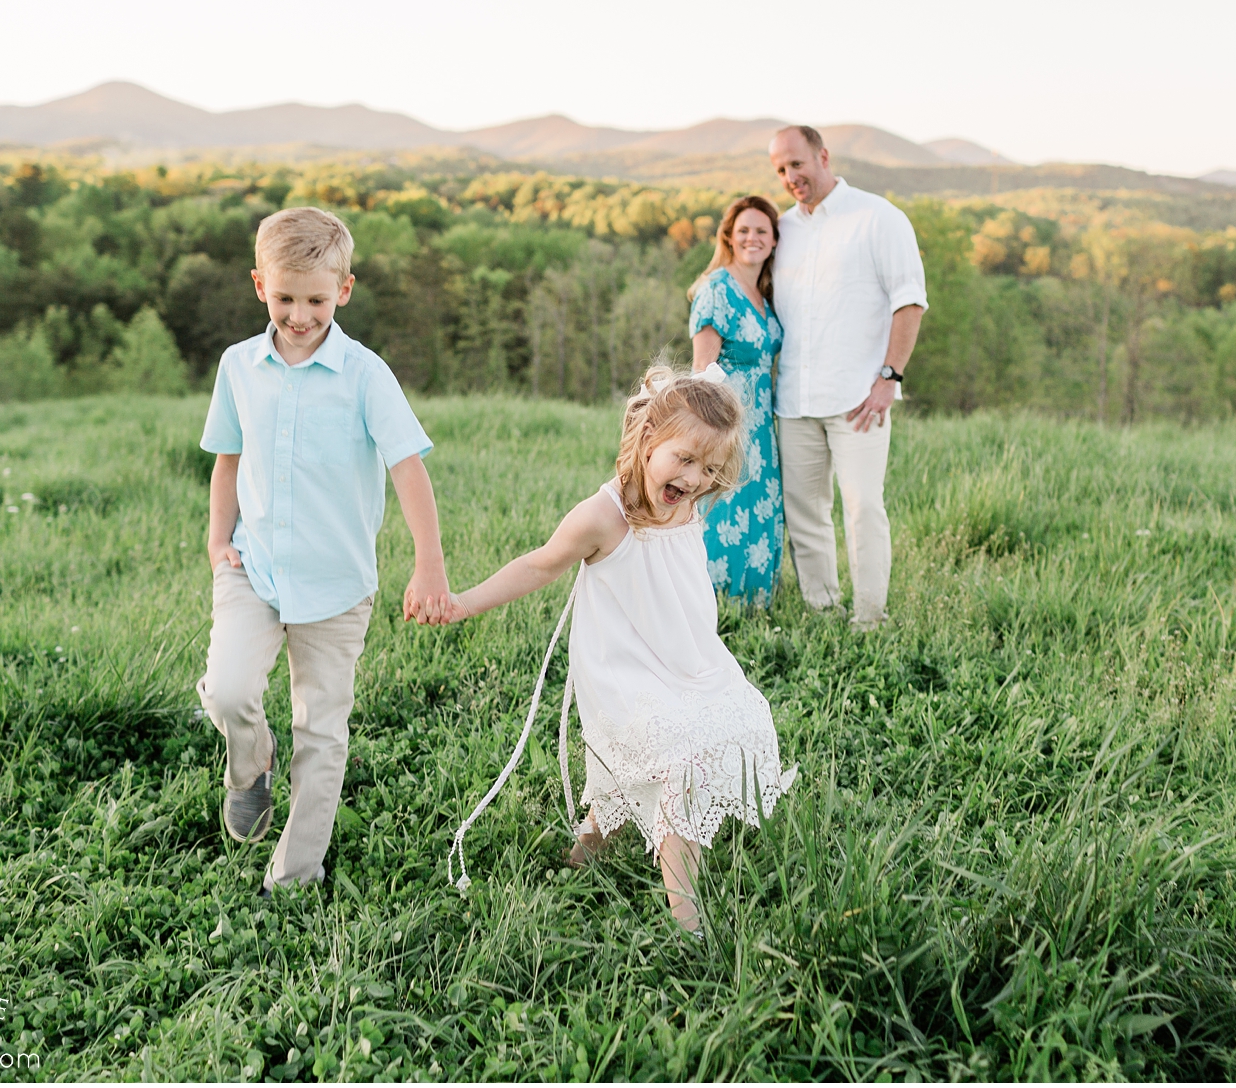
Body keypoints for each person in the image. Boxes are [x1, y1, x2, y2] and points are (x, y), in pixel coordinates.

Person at [435, 366, 797, 933]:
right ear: (647, 439)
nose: (697, 478)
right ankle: (690, 922)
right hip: (625, 677)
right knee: (682, 763)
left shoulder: (687, 501)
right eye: (684, 459)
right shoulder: (603, 517)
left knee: (733, 720)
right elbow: (538, 564)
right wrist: (463, 602)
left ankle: (582, 856)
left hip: (687, 663)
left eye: (709, 468)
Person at [198, 206, 451, 893]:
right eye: (285, 298)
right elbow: (227, 457)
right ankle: (250, 762)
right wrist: (219, 538)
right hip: (254, 569)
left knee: (321, 732)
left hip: (336, 586)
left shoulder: (366, 374)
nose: (300, 314)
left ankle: (293, 877)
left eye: (315, 298)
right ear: (259, 286)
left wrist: (429, 561)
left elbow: (408, 467)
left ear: (343, 289)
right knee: (228, 689)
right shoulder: (238, 366)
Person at [768, 124, 928, 628]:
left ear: (823, 156)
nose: (791, 176)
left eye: (797, 164)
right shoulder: (782, 229)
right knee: (806, 516)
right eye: (780, 170)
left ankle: (869, 618)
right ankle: (822, 610)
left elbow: (910, 301)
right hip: (794, 400)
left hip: (860, 398)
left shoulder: (878, 217)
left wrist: (890, 377)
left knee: (863, 510)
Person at [688, 195, 786, 606]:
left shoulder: (767, 293)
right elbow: (700, 373)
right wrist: (706, 440)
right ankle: (710, 605)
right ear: (729, 236)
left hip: (762, 425)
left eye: (762, 230)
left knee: (759, 508)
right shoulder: (715, 290)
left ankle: (754, 605)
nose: (752, 238)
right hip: (726, 423)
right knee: (724, 512)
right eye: (744, 230)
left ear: (774, 239)